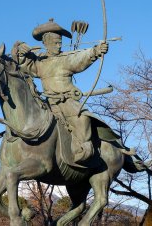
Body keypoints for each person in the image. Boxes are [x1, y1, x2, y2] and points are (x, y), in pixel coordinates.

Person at [11, 18, 108, 164]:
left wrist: (95, 51)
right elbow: (24, 64)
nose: (59, 45)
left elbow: (81, 58)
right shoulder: (40, 62)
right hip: (48, 103)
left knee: (82, 118)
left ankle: (84, 150)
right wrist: (20, 50)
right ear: (46, 43)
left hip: (67, 101)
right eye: (55, 43)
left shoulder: (66, 59)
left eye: (60, 42)